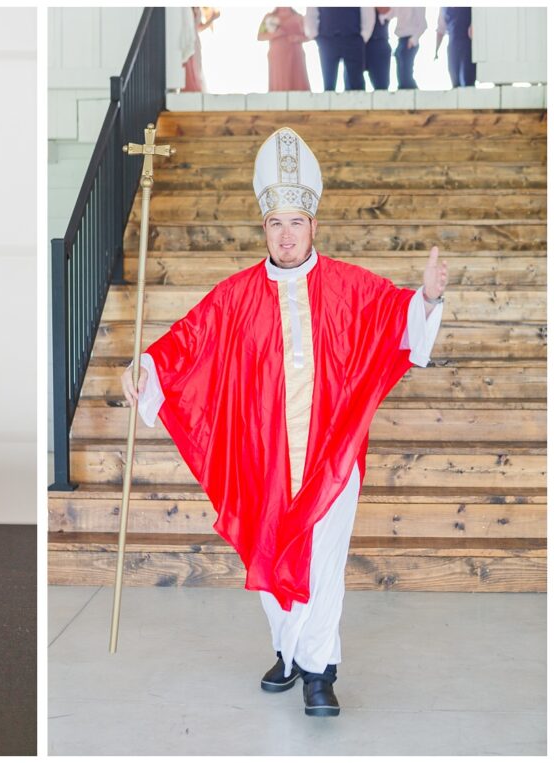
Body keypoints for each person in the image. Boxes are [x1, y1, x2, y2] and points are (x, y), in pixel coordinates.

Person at [121, 128, 448, 717]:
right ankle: (288, 649)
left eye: (297, 222)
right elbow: (187, 343)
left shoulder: (350, 287)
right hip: (263, 458)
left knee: (322, 563)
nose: (288, 234)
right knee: (267, 554)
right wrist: (146, 368)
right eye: (277, 224)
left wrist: (424, 300)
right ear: (265, 229)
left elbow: (399, 320)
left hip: (331, 454)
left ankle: (320, 673)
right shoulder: (236, 295)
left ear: (313, 227)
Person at [304, 7, 377, 91]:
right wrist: (315, 36)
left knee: (356, 82)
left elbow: (367, 12)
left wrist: (362, 38)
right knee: (328, 83)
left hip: (353, 39)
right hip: (327, 40)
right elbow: (311, 13)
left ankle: (359, 103)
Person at [257, 7, 311, 92]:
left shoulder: (299, 17)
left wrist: (298, 38)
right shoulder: (269, 17)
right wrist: (275, 34)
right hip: (277, 55)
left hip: (295, 54)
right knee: (279, 79)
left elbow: (310, 35)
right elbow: (260, 36)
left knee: (297, 79)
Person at [382, 7, 428, 89]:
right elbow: (389, 14)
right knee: (401, 77)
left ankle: (416, 97)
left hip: (410, 40)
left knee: (406, 77)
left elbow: (423, 24)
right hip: (401, 41)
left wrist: (413, 40)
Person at [182, 7, 220, 92]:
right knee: (190, 65)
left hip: (195, 41)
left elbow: (199, 27)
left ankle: (194, 88)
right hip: (190, 39)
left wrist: (212, 18)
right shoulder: (188, 8)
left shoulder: (198, 8)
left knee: (197, 66)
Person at [436, 7, 475, 88]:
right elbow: (440, 30)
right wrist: (436, 51)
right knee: (455, 78)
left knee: (468, 79)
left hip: (468, 44)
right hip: (453, 45)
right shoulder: (444, 7)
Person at [364, 7, 392, 90]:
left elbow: (385, 10)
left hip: (379, 43)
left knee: (381, 87)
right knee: (352, 87)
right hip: (356, 42)